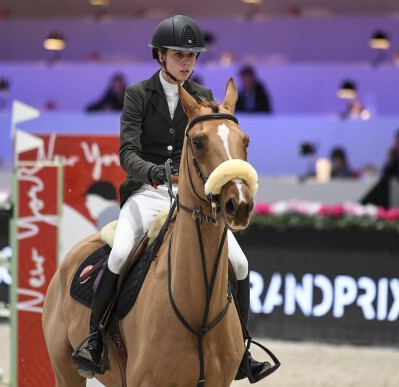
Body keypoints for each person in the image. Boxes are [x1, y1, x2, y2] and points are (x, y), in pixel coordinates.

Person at [72, 15, 271, 382]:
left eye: (192, 56)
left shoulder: (204, 99)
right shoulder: (136, 95)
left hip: (191, 197)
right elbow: (126, 152)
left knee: (240, 264)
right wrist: (151, 172)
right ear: (160, 56)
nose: (186, 62)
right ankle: (95, 339)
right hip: (147, 193)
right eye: (179, 55)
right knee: (119, 253)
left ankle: (242, 349)